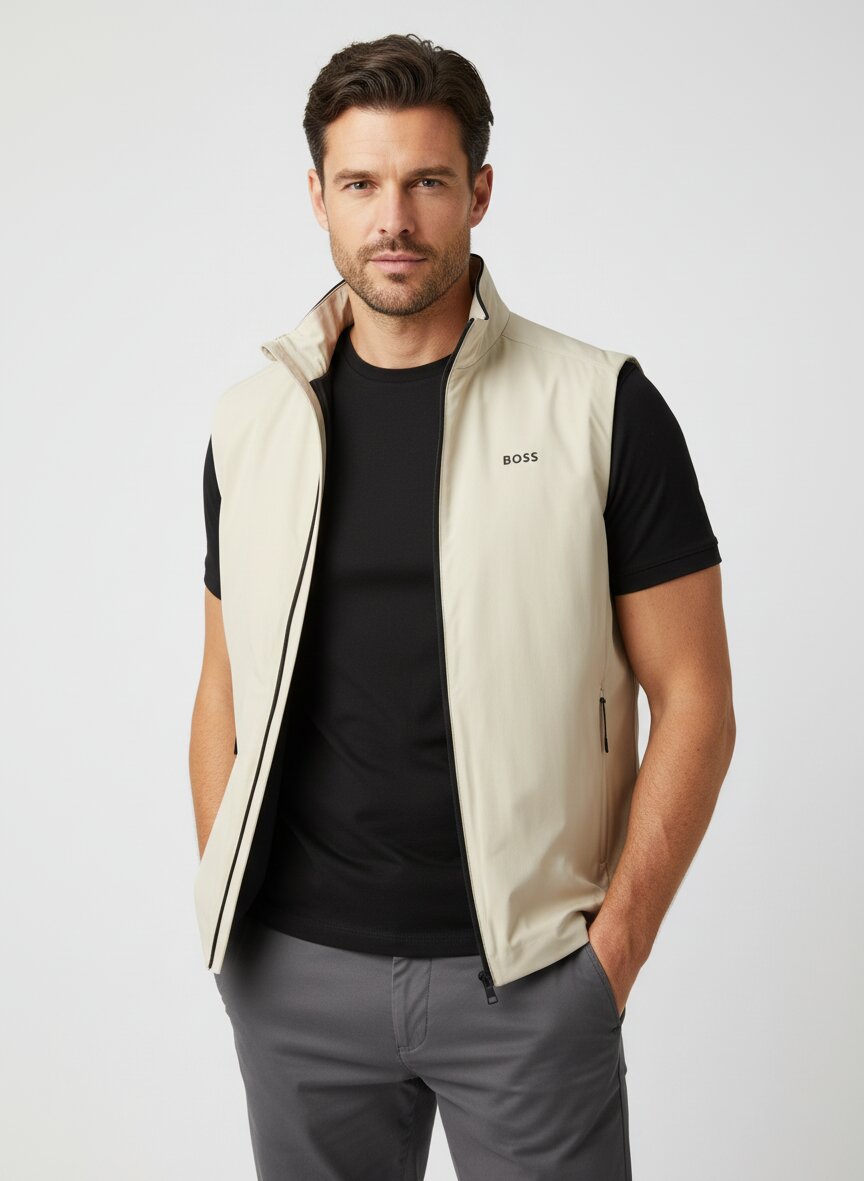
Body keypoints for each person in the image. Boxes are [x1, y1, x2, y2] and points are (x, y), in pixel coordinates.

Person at [188, 31, 736, 1180]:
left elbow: (695, 696)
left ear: (479, 193)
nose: (393, 219)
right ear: (317, 197)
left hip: (529, 981)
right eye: (361, 184)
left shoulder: (601, 406)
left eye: (427, 182)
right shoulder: (254, 421)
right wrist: (236, 927)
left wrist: (612, 953)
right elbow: (222, 686)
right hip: (297, 981)